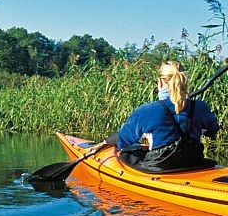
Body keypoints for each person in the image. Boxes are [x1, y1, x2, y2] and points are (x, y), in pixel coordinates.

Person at [87, 61, 219, 171]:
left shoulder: (147, 110)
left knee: (127, 153)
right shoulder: (201, 107)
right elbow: (212, 131)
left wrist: (105, 142)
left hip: (161, 165)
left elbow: (123, 139)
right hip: (193, 161)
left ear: (160, 82)